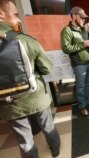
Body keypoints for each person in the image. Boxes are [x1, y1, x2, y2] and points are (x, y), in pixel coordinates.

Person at [0, 0, 61, 157]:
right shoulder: (25, 40)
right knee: (47, 125)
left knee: (25, 140)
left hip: (9, 104)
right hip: (35, 96)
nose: (19, 20)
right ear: (1, 14)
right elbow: (47, 68)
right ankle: (55, 150)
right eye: (15, 15)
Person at [61, 6, 89, 116]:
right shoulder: (67, 30)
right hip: (79, 64)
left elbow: (86, 44)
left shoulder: (83, 29)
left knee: (88, 84)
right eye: (82, 17)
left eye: (84, 18)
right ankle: (82, 106)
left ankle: (87, 101)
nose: (84, 20)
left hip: (88, 61)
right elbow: (66, 48)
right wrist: (82, 44)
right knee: (81, 86)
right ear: (74, 16)